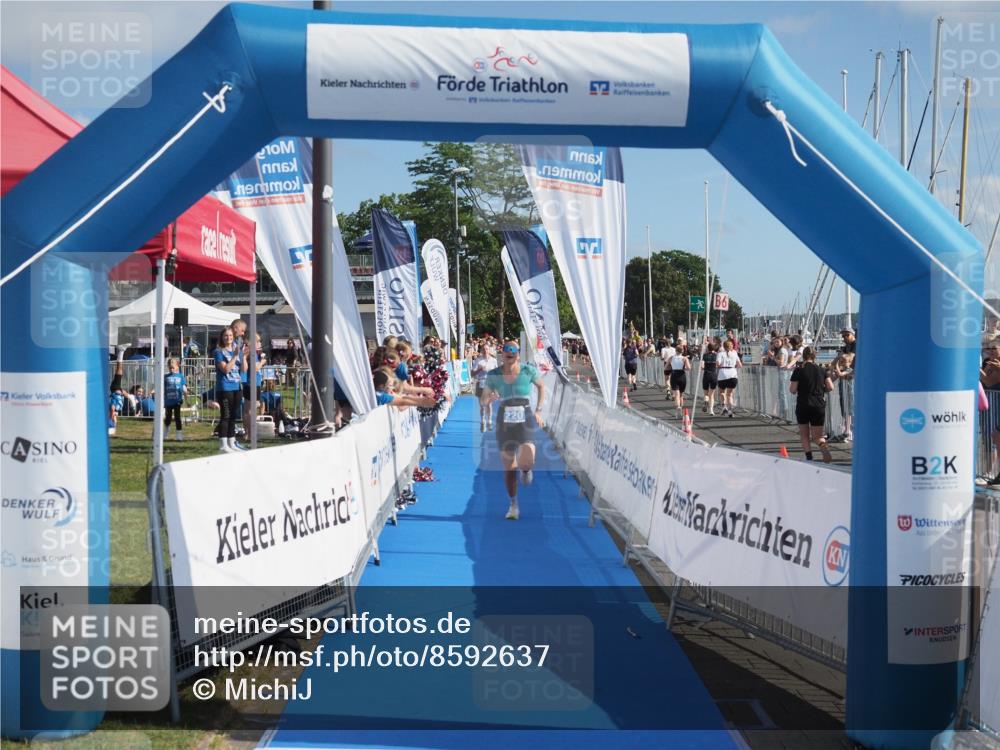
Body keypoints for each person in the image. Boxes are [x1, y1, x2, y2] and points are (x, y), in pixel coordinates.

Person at [480, 340, 545, 521]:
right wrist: (489, 398)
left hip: (525, 416)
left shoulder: (527, 370)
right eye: (506, 352)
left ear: (518, 354)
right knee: (509, 468)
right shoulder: (493, 374)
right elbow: (483, 399)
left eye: (513, 352)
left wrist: (539, 410)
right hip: (504, 420)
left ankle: (525, 470)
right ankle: (513, 504)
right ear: (502, 354)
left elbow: (541, 386)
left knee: (527, 460)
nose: (510, 355)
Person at [789, 347, 834, 462]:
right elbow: (830, 387)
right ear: (815, 356)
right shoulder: (822, 370)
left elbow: (792, 390)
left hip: (803, 404)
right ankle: (823, 447)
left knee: (804, 435)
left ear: (803, 356)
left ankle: (809, 458)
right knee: (817, 436)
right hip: (818, 404)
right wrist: (821, 390)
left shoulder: (799, 370)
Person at [214, 326, 246, 453]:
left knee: (233, 416)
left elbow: (243, 369)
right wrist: (234, 356)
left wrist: (243, 356)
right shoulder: (218, 352)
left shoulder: (236, 349)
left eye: (231, 336)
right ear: (222, 337)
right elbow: (226, 369)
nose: (229, 338)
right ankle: (223, 444)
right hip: (225, 387)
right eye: (226, 335)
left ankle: (232, 443)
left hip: (237, 386)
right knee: (226, 416)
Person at [471, 343, 498, 432]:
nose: (485, 351)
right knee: (482, 405)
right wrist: (479, 369)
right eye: (484, 349)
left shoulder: (494, 360)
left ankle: (489, 421)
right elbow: (472, 374)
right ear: (481, 351)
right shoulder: (478, 361)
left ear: (489, 350)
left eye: (487, 349)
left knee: (489, 404)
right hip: (481, 383)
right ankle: (482, 421)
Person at [163, 358, 188, 441]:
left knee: (177, 417)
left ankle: (179, 435)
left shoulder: (180, 376)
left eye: (173, 367)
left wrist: (186, 395)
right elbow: (162, 388)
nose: (172, 369)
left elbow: (184, 388)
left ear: (177, 366)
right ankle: (165, 433)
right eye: (170, 368)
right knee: (168, 418)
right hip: (168, 401)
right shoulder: (165, 377)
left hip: (177, 400)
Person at [716, 339, 742, 417]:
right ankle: (730, 410)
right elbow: (740, 365)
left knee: (722, 392)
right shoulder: (734, 354)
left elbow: (718, 364)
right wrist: (733, 365)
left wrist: (722, 366)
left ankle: (724, 407)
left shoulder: (720, 354)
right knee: (730, 394)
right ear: (731, 347)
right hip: (732, 374)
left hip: (723, 374)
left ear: (723, 346)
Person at [668, 344, 690, 418]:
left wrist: (671, 366)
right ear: (683, 351)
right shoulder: (684, 358)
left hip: (674, 375)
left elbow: (666, 367)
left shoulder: (671, 358)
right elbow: (689, 368)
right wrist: (684, 367)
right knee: (681, 395)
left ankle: (678, 408)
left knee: (676, 394)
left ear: (676, 350)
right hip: (682, 375)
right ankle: (681, 408)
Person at [701, 341, 719, 415]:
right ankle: (711, 410)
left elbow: (702, 366)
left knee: (706, 393)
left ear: (707, 348)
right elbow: (718, 364)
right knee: (711, 394)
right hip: (713, 375)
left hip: (706, 375)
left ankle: (706, 400)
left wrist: (705, 366)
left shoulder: (704, 355)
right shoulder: (716, 355)